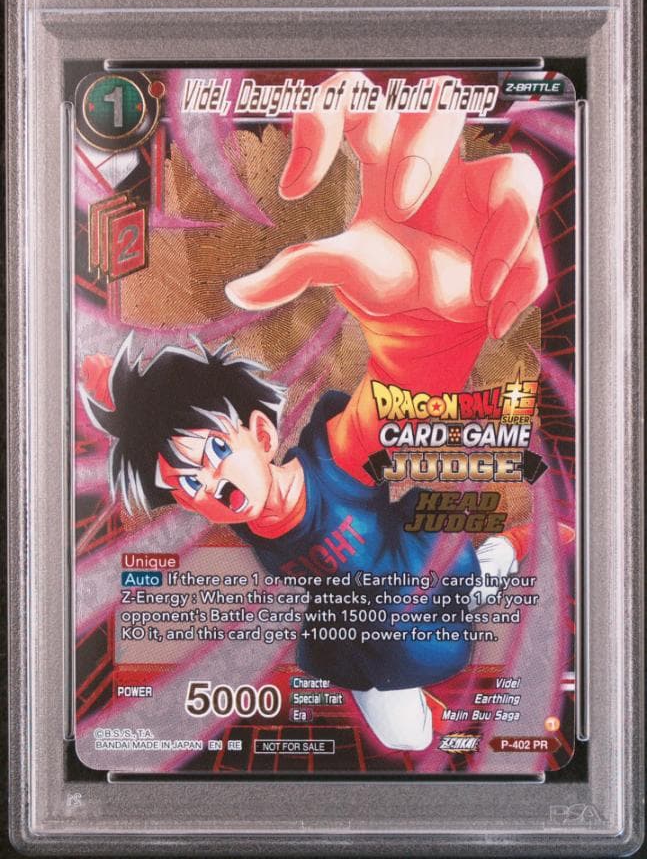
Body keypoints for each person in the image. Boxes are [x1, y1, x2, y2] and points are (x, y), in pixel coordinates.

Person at [82, 72, 548, 750]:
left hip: (422, 603)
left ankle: (499, 560)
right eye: (188, 484)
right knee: (407, 738)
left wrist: (422, 332)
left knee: (462, 606)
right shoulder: (248, 521)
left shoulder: (334, 458)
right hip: (367, 639)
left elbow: (394, 397)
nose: (211, 483)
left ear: (260, 430)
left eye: (214, 452)